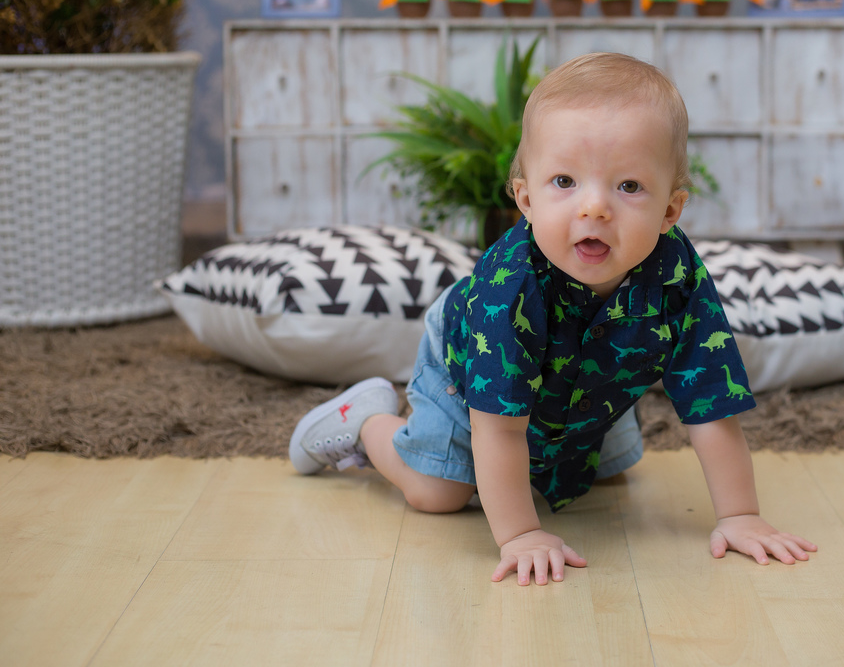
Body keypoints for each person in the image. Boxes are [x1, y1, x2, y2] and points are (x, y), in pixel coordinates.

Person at [288, 53, 817, 586]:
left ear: (670, 212)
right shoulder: (511, 286)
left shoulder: (677, 274)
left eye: (628, 187)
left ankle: (569, 441)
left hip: (592, 373)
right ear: (526, 199)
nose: (595, 208)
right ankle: (368, 422)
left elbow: (712, 402)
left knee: (607, 476)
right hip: (469, 368)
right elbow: (496, 429)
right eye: (564, 181)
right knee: (439, 494)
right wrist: (520, 533)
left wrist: (740, 515)